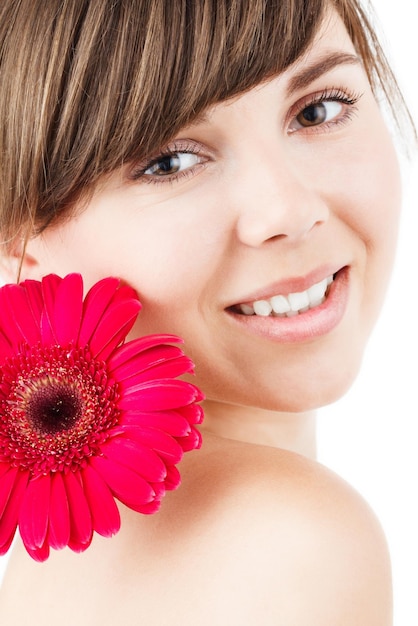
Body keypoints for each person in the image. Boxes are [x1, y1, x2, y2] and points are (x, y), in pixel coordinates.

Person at [0, 0, 411, 623]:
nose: (288, 211)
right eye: (169, 161)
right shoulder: (282, 540)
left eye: (317, 109)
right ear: (23, 250)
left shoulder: (71, 553)